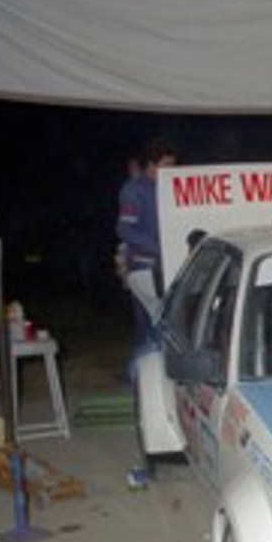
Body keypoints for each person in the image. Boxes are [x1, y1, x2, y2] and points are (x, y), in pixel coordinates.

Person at [116, 137, 177, 373]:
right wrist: (157, 247)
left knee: (166, 326)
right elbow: (124, 229)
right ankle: (139, 377)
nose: (171, 171)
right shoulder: (133, 190)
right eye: (166, 165)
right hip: (144, 268)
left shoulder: (169, 189)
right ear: (152, 165)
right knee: (147, 327)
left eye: (173, 165)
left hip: (168, 266)